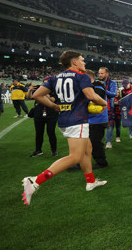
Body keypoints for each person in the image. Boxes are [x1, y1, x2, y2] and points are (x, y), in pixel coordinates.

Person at [22, 51, 108, 205]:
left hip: (64, 120)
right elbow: (91, 96)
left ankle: (90, 182)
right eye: (82, 60)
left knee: (87, 149)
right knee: (75, 156)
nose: (84, 63)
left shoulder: (55, 78)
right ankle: (35, 181)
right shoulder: (81, 76)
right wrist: (104, 103)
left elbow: (37, 95)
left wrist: (54, 106)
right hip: (78, 120)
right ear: (74, 62)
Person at [27, 77, 58, 157]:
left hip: (51, 113)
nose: (46, 85)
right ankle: (38, 150)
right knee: (39, 133)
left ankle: (54, 150)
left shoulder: (55, 91)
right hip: (38, 113)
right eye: (44, 83)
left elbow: (53, 100)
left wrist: (45, 93)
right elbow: (29, 97)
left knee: (51, 132)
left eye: (47, 83)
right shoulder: (39, 90)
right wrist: (30, 90)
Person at [86, 70, 109, 169]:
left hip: (98, 120)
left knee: (95, 142)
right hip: (89, 119)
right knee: (85, 143)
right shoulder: (89, 87)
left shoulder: (98, 85)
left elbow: (97, 97)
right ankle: (81, 162)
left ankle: (101, 162)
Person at [99, 67, 118, 148]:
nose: (100, 75)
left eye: (102, 73)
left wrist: (102, 89)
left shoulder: (112, 83)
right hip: (97, 107)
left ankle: (108, 142)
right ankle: (98, 142)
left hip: (109, 108)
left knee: (109, 126)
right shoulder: (96, 82)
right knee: (98, 126)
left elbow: (114, 94)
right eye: (99, 73)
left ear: (107, 74)